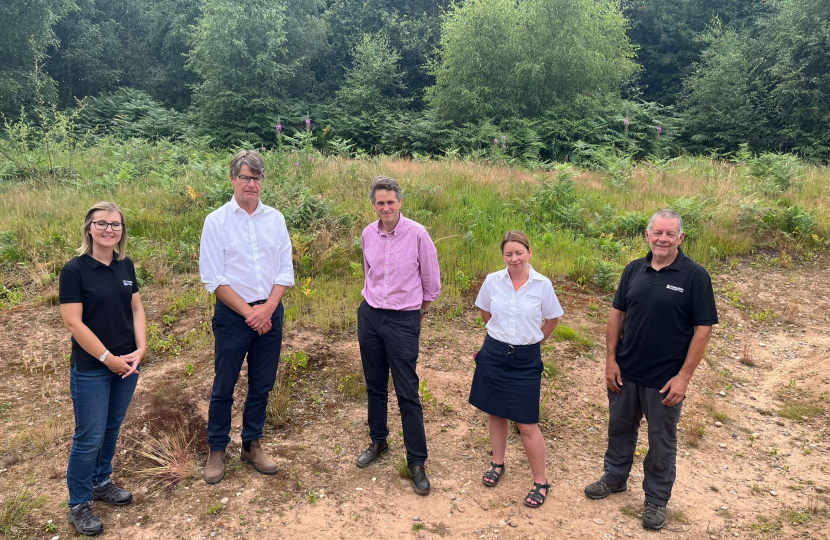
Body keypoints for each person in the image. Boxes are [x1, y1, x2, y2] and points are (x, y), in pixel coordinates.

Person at [584, 209, 718, 530]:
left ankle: (656, 499)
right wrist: (610, 361)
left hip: (665, 380)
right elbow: (617, 315)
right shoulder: (633, 270)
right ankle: (615, 478)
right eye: (657, 232)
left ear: (680, 238)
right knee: (619, 428)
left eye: (670, 234)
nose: (663, 239)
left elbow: (703, 329)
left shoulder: (694, 276)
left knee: (661, 441)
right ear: (647, 235)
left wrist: (683, 377)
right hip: (626, 372)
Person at [199, 149, 294, 484]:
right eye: (245, 177)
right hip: (233, 315)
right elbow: (213, 278)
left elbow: (285, 270)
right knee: (224, 384)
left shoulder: (276, 219)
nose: (251, 183)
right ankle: (217, 448)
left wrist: (267, 309)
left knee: (262, 384)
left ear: (262, 181)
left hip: (270, 311)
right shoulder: (216, 221)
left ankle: (252, 445)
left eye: (256, 178)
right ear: (232, 179)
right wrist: (249, 313)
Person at [59, 201, 147, 536]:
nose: (109, 229)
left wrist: (141, 348)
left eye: (116, 224)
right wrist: (106, 358)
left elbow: (136, 309)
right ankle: (78, 504)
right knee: (89, 435)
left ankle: (101, 482)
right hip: (93, 366)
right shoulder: (75, 270)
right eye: (102, 224)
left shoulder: (126, 266)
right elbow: (73, 323)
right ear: (89, 228)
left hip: (127, 363)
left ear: (122, 231)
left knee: (111, 427)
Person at [355, 175, 441, 496]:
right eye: (380, 202)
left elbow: (431, 281)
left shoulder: (417, 234)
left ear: (400, 202)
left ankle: (416, 461)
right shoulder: (367, 234)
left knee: (407, 390)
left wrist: (418, 311)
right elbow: (368, 273)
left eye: (391, 201)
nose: (386, 207)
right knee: (375, 384)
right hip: (371, 316)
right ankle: (378, 442)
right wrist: (373, 307)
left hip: (404, 319)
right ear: (374, 205)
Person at [469, 231, 563, 508]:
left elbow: (553, 319)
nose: (514, 258)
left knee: (527, 423)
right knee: (495, 412)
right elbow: (486, 312)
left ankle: (540, 482)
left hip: (525, 359)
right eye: (508, 254)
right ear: (503, 256)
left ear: (529, 253)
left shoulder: (542, 285)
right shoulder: (492, 281)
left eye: (519, 253)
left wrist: (533, 340)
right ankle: (497, 463)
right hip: (494, 353)